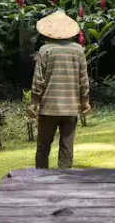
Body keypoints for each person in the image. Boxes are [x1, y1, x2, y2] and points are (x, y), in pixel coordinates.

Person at [29, 10, 90, 169]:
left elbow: (38, 80)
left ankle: (41, 179)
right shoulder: (78, 51)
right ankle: (65, 182)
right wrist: (85, 101)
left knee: (43, 147)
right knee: (67, 148)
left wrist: (34, 102)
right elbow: (83, 80)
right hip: (71, 108)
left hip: (49, 108)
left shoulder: (45, 50)